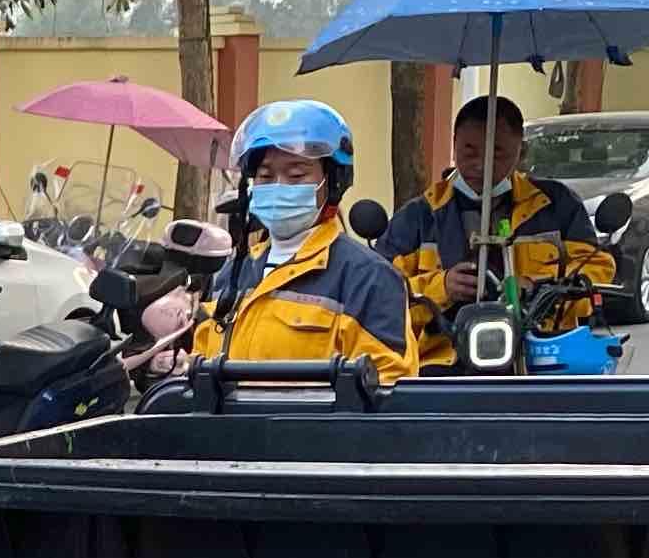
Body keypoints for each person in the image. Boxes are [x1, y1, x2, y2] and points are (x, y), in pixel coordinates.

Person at [381, 92, 615, 358]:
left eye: (497, 153)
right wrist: (441, 287)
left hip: (540, 353)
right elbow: (381, 294)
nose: (481, 165)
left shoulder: (557, 205)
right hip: (443, 360)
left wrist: (539, 288)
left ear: (520, 152)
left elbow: (597, 269)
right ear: (454, 144)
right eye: (469, 151)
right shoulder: (419, 217)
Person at [199, 98, 420, 375]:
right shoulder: (232, 274)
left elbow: (387, 383)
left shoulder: (367, 277)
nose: (279, 186)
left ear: (333, 182)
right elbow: (200, 367)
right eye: (265, 176)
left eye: (296, 175)